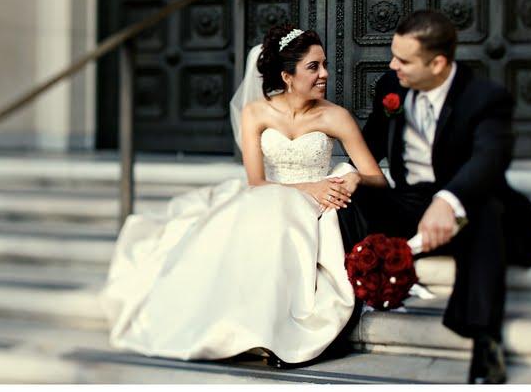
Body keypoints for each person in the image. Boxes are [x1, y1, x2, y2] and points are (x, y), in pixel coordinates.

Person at [103, 28, 386, 366]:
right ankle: (237, 325)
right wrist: (305, 188)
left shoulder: (335, 116)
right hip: (270, 195)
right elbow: (256, 181)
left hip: (318, 205)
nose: (325, 73)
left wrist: (353, 176)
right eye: (314, 67)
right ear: (287, 76)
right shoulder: (256, 112)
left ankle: (279, 329)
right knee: (258, 221)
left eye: (324, 65)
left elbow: (377, 179)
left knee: (286, 224)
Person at [339, 9, 531, 384]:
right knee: (348, 197)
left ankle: (485, 341)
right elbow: (371, 142)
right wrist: (351, 175)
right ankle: (350, 300)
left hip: (465, 204)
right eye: (393, 55)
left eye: (403, 60)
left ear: (437, 63)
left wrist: (447, 200)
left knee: (487, 210)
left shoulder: (484, 98)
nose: (392, 65)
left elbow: (490, 158)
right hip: (408, 202)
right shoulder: (392, 86)